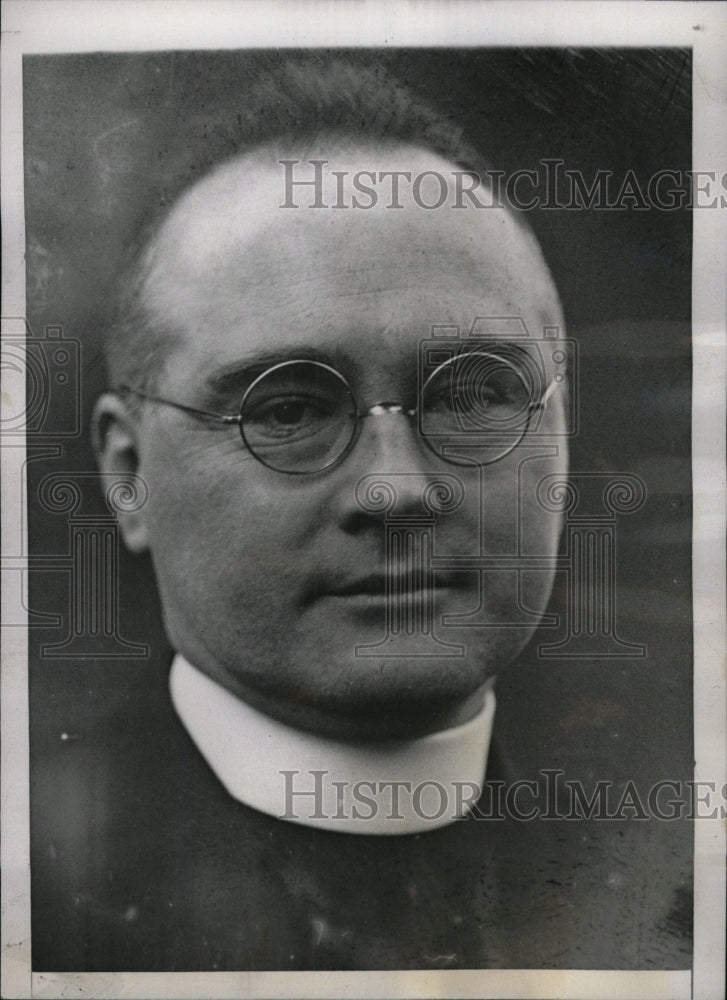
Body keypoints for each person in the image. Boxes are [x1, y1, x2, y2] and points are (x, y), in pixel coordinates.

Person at [31, 56, 692, 972]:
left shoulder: (668, 906)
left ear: (563, 428)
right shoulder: (35, 902)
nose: (395, 491)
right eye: (288, 411)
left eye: (470, 397)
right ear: (128, 470)